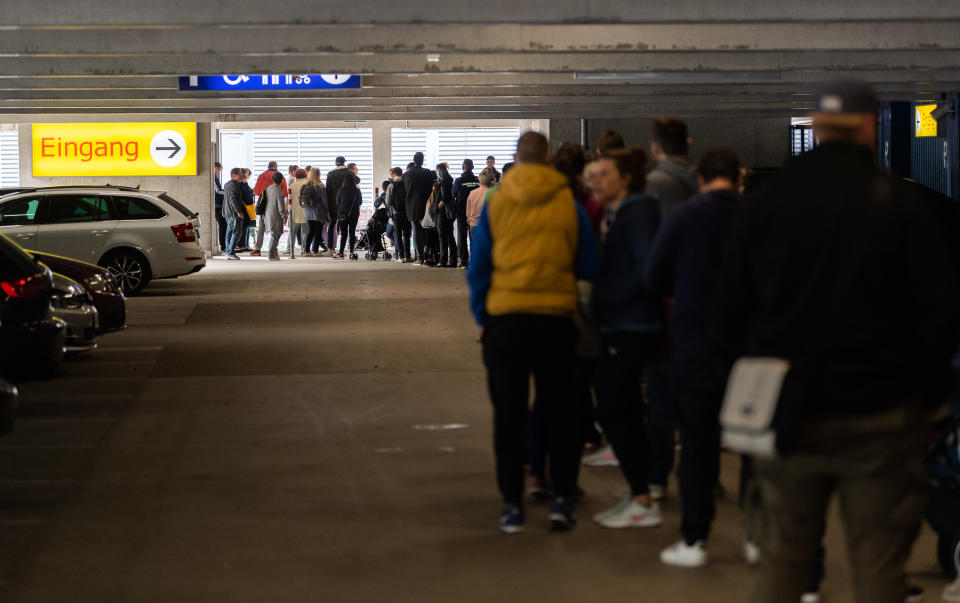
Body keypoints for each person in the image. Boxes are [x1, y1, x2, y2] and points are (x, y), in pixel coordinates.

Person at [714, 79, 959, 602]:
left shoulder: (766, 201)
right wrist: (931, 397)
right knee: (879, 564)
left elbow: (730, 309)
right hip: (882, 413)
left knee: (783, 560)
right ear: (870, 126)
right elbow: (939, 312)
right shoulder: (902, 203)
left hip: (788, 408)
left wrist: (743, 384)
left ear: (816, 128)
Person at [468, 131, 599, 534]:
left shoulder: (496, 201)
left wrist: (484, 315)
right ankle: (561, 499)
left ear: (515, 159)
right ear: (546, 158)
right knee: (561, 411)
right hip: (556, 320)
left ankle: (512, 505)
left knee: (508, 417)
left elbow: (480, 266)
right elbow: (588, 264)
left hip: (506, 320)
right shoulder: (567, 202)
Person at [644, 148, 743, 566]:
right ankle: (756, 536)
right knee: (755, 446)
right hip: (748, 344)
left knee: (698, 443)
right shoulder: (758, 214)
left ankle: (695, 538)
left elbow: (653, 276)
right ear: (737, 178)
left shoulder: (683, 218)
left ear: (700, 178)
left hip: (695, 342)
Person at [588, 147, 664, 530]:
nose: (596, 181)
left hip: (631, 325)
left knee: (617, 409)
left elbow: (648, 269)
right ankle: (641, 491)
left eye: (604, 174)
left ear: (626, 179)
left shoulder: (638, 215)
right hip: (622, 322)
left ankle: (643, 497)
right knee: (624, 409)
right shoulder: (625, 213)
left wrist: (611, 299)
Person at [403, 152, 436, 266]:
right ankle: (428, 255)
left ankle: (420, 257)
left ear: (414, 160)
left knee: (416, 230)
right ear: (422, 160)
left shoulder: (407, 174)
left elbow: (406, 189)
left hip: (412, 205)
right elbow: (430, 188)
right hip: (426, 203)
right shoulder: (427, 172)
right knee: (427, 230)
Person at [251, 161, 289, 256]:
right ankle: (273, 251)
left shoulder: (261, 176)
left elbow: (256, 191)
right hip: (274, 209)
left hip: (264, 208)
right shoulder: (281, 178)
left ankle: (257, 249)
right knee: (275, 231)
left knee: (261, 228)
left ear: (268, 167)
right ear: (276, 167)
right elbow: (285, 193)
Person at [452, 158, 480, 269]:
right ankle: (475, 261)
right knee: (474, 237)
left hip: (462, 212)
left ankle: (464, 261)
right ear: (472, 167)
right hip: (475, 212)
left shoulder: (458, 181)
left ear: (463, 167)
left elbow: (453, 194)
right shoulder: (478, 180)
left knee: (462, 237)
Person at [326, 156, 357, 254]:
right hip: (348, 206)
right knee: (349, 230)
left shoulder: (330, 174)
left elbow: (328, 191)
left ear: (336, 163)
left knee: (332, 226)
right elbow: (357, 181)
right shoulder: (349, 173)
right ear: (344, 163)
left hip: (334, 205)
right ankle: (350, 250)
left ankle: (330, 248)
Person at [335, 166, 362, 259]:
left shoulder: (341, 190)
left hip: (343, 214)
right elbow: (360, 202)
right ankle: (352, 252)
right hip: (354, 214)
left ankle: (341, 253)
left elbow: (337, 202)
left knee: (344, 234)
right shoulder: (357, 191)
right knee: (352, 233)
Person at [301, 168, 329, 256]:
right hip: (319, 211)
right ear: (318, 174)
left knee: (311, 231)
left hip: (308, 211)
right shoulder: (320, 186)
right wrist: (328, 210)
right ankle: (315, 251)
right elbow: (325, 200)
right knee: (318, 232)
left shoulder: (305, 185)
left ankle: (307, 251)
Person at [385, 167, 411, 263]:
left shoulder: (391, 186)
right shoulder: (406, 184)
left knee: (398, 235)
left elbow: (387, 201)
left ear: (393, 175)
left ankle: (401, 257)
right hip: (407, 213)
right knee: (407, 235)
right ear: (402, 173)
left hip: (396, 214)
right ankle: (408, 256)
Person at [262, 171, 287, 261]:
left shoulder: (268, 188)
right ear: (281, 181)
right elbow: (281, 207)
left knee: (275, 234)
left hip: (267, 214)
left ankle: (274, 252)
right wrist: (284, 217)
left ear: (272, 180)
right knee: (275, 235)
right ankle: (270, 254)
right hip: (275, 216)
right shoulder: (279, 191)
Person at [435, 162, 457, 267]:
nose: (437, 173)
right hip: (447, 212)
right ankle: (452, 260)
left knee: (443, 236)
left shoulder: (446, 181)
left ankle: (443, 261)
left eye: (437, 170)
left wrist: (439, 205)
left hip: (444, 212)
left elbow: (446, 196)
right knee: (449, 236)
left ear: (441, 170)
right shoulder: (447, 179)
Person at [221, 167, 245, 260]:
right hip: (233, 213)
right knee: (236, 232)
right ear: (235, 175)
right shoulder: (235, 185)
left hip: (227, 212)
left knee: (229, 232)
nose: (242, 175)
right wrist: (238, 211)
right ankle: (230, 252)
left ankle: (228, 251)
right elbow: (233, 199)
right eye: (240, 173)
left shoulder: (227, 184)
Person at [465, 167, 494, 237]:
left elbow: (468, 212)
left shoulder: (472, 193)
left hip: (473, 225)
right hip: (486, 226)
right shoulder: (492, 194)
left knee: (475, 247)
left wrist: (470, 221)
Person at [288, 168, 308, 259]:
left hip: (294, 213)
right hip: (306, 213)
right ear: (306, 175)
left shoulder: (292, 186)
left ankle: (290, 249)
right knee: (306, 232)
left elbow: (288, 200)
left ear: (296, 176)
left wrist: (286, 211)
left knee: (292, 233)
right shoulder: (308, 185)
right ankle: (304, 250)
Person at [238, 168, 255, 252]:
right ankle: (242, 244)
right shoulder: (241, 184)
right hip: (244, 207)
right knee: (244, 226)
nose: (248, 176)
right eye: (248, 174)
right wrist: (252, 193)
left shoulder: (244, 184)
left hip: (247, 207)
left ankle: (246, 244)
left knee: (247, 226)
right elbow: (247, 194)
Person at [214, 162, 226, 253]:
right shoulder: (213, 178)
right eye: (219, 170)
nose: (219, 172)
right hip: (217, 204)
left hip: (218, 204)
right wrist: (228, 192)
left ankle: (223, 245)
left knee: (223, 225)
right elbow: (217, 191)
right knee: (222, 225)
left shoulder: (215, 178)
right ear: (216, 168)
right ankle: (223, 246)